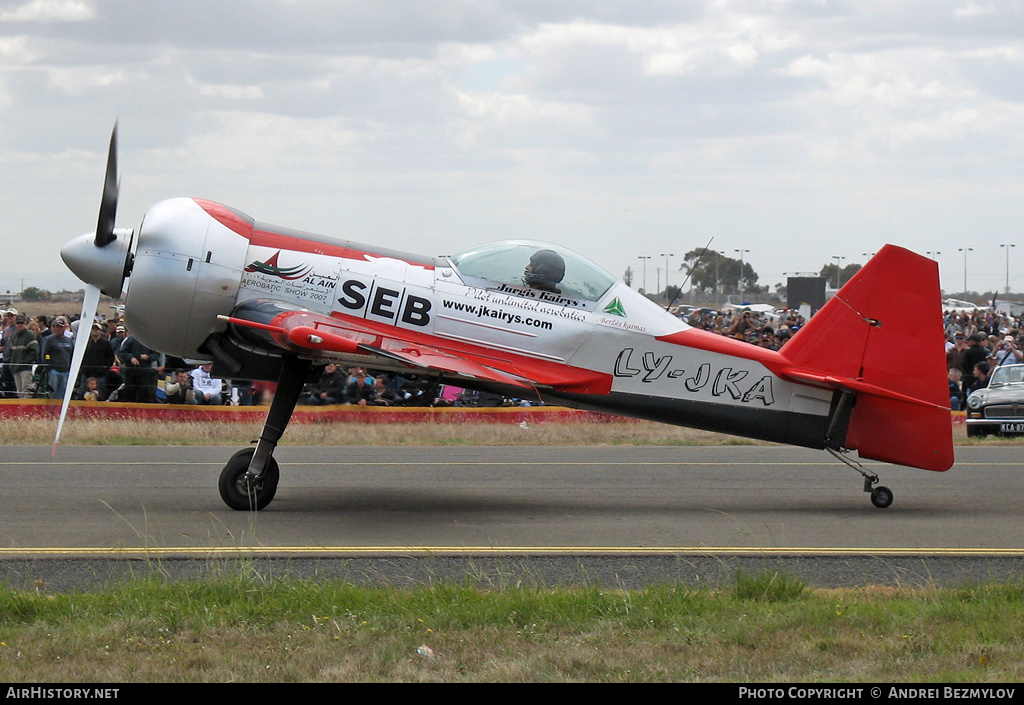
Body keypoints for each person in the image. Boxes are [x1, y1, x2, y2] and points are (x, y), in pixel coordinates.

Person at [39, 316, 74, 400]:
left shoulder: (69, 340)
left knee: (63, 394)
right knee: (53, 394)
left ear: (64, 327)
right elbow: (44, 354)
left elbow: (72, 354)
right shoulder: (49, 340)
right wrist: (49, 368)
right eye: (56, 326)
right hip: (54, 371)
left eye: (60, 327)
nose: (58, 329)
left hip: (65, 371)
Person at [79, 323, 115, 399]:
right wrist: (83, 368)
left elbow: (111, 357)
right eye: (93, 329)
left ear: (101, 331)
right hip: (87, 373)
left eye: (97, 329)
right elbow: (81, 356)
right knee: (84, 395)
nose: (95, 331)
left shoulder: (106, 343)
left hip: (100, 375)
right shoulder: (86, 343)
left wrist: (104, 368)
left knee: (100, 395)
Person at [8, 315, 39, 398]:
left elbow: (35, 351)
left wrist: (25, 362)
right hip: (15, 368)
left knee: (26, 391)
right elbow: (11, 352)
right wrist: (12, 364)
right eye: (18, 323)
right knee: (19, 392)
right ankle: (21, 410)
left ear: (25, 323)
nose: (20, 324)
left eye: (22, 323)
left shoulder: (30, 335)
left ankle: (27, 409)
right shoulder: (14, 336)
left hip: (25, 369)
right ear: (15, 324)